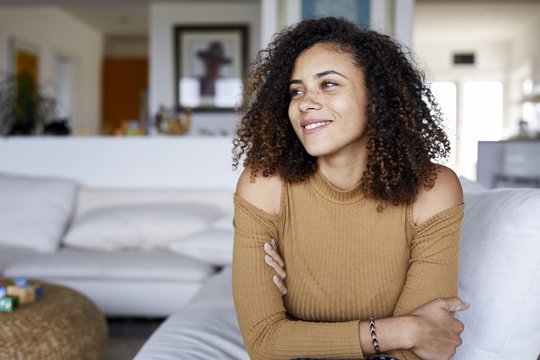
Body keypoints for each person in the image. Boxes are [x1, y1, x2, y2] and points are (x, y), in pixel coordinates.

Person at [232, 17, 468, 360]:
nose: (304, 103)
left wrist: (303, 337)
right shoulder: (265, 184)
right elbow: (265, 342)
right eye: (296, 91)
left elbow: (422, 350)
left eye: (328, 84)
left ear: (377, 98)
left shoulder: (433, 190)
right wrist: (402, 330)